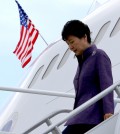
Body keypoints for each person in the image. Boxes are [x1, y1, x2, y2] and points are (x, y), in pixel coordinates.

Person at [61, 20, 114, 134]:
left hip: (91, 117)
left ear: (84, 37)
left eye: (72, 42)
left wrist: (109, 111)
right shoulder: (81, 64)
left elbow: (106, 84)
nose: (70, 47)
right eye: (68, 44)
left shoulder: (98, 55)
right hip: (79, 117)